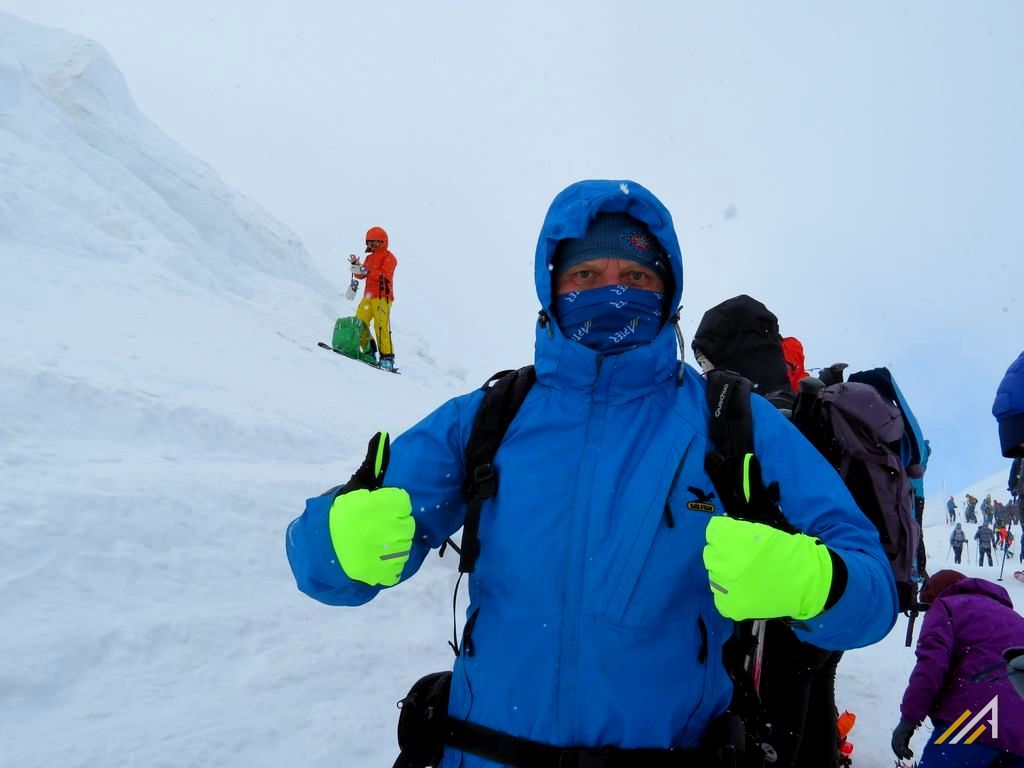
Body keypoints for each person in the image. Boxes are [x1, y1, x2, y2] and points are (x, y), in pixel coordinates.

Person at [285, 180, 899, 768]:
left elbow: (872, 588)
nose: (612, 292)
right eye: (585, 275)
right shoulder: (490, 418)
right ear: (551, 287)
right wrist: (336, 544)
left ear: (669, 289)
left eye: (636, 275)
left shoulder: (730, 422)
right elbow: (313, 561)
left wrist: (820, 582)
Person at [692, 295, 843, 768]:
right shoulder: (805, 406)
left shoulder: (757, 420)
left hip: (774, 612)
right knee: (810, 702)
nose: (702, 372)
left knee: (774, 727)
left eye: (706, 359)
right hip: (819, 599)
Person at [890, 570, 1024, 767]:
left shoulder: (947, 606)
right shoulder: (1015, 618)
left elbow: (931, 668)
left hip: (978, 720)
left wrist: (909, 718)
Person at [349, 226, 398, 370]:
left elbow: (384, 274)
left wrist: (367, 270)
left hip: (383, 297)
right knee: (360, 322)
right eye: (370, 242)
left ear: (383, 242)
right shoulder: (369, 258)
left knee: (381, 326)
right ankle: (369, 351)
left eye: (376, 242)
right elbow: (361, 275)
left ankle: (387, 358)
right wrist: (356, 265)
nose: (373, 245)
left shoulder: (390, 257)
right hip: (368, 297)